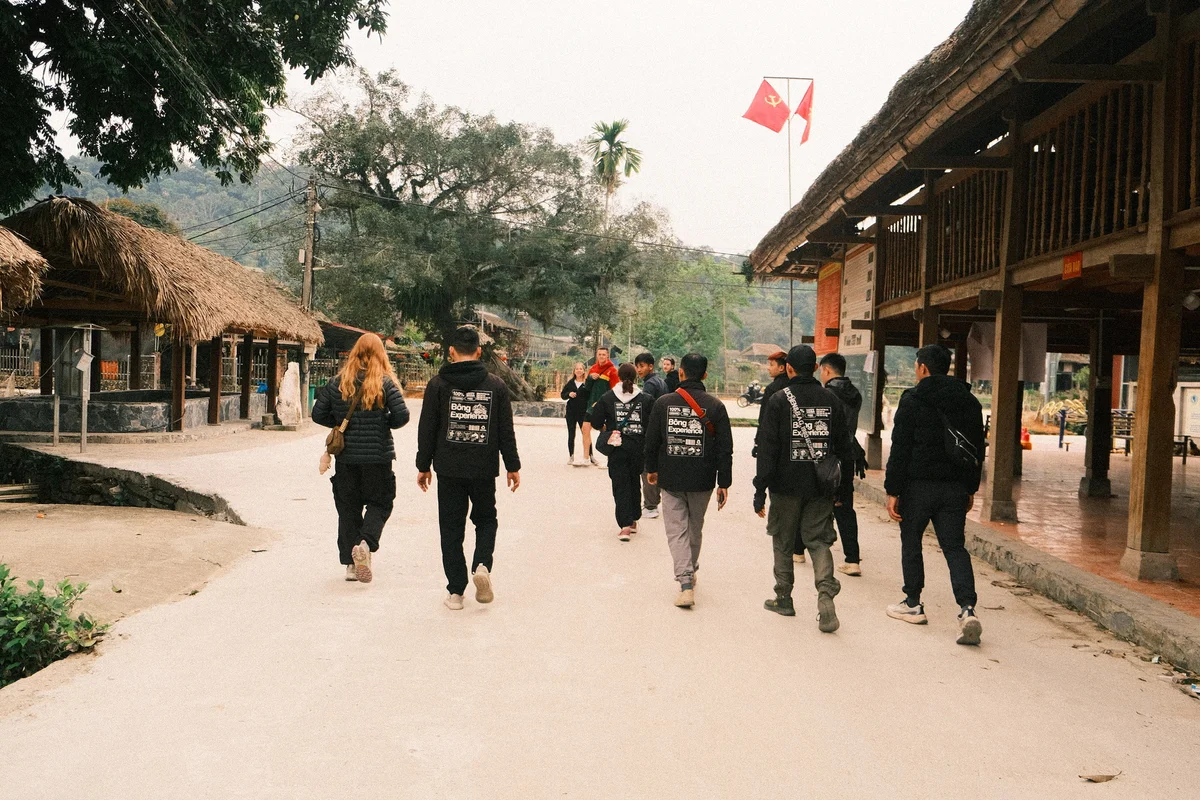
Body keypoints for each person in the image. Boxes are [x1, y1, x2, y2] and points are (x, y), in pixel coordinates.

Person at [884, 344, 986, 645]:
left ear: (923, 368)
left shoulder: (913, 399)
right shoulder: (969, 402)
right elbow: (977, 450)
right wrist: (970, 488)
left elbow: (900, 447)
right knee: (955, 547)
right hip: (954, 487)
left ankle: (913, 604)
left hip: (918, 486)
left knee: (911, 540)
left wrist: (893, 489)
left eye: (917, 365)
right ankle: (967, 608)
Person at [416, 326, 521, 611]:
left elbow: (427, 428)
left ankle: (455, 592)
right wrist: (512, 466)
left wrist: (423, 465)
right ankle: (482, 564)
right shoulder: (495, 386)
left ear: (451, 351)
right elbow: (504, 431)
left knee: (451, 528)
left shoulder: (438, 384)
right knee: (486, 520)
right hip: (483, 469)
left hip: (448, 469)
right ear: (478, 351)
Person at [753, 345, 854, 633]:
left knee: (783, 541)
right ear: (815, 367)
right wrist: (843, 489)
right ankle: (825, 597)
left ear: (789, 368)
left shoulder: (778, 400)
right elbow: (844, 448)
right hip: (821, 486)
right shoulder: (830, 399)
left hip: (785, 486)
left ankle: (783, 597)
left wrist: (760, 489)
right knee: (819, 541)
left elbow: (767, 451)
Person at [312, 333, 410, 584]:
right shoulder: (385, 383)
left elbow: (317, 414)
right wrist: (382, 422)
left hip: (346, 459)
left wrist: (339, 422)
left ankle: (350, 565)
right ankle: (365, 543)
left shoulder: (337, 383)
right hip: (378, 457)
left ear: (354, 353)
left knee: (348, 509)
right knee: (380, 503)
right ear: (381, 354)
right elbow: (402, 417)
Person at [644, 353, 733, 609]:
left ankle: (685, 582)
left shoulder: (663, 403)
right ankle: (689, 572)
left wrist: (651, 469)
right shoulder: (716, 406)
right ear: (705, 375)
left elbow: (652, 442)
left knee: (677, 531)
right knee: (694, 528)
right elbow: (725, 448)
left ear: (680, 373)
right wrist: (723, 483)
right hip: (702, 480)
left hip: (670, 478)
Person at [590, 362, 653, 541]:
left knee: (620, 485)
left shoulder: (608, 397)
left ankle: (625, 526)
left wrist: (608, 429)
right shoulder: (646, 399)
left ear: (618, 376)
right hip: (638, 449)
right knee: (634, 482)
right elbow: (651, 425)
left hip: (617, 449)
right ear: (635, 377)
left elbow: (595, 421)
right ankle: (633, 519)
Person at [819, 352, 865, 576]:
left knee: (814, 502)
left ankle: (800, 550)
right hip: (847, 456)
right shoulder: (854, 394)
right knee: (844, 506)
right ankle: (852, 559)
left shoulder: (826, 394)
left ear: (826, 370)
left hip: (828, 457)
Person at [634, 352, 668, 519]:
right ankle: (654, 501)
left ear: (650, 366)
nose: (639, 369)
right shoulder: (661, 381)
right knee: (658, 466)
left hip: (650, 431)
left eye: (642, 366)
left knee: (647, 468)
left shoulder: (649, 385)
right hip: (662, 430)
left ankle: (650, 505)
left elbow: (645, 411)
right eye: (637, 366)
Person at [580, 347, 619, 466]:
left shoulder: (612, 371)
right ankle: (586, 458)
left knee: (605, 431)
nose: (601, 356)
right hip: (591, 405)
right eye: (599, 354)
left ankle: (607, 459)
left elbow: (615, 389)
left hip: (604, 405)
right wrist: (591, 378)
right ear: (597, 355)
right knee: (585, 428)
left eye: (603, 354)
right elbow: (587, 387)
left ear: (607, 356)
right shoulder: (593, 368)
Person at [560, 362, 589, 466]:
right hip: (571, 412)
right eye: (577, 369)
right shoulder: (570, 383)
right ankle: (571, 455)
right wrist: (569, 394)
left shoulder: (586, 384)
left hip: (583, 412)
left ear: (584, 370)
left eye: (581, 368)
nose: (579, 370)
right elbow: (562, 395)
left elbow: (590, 396)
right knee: (571, 434)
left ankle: (589, 455)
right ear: (574, 371)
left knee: (585, 434)